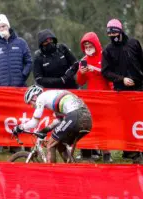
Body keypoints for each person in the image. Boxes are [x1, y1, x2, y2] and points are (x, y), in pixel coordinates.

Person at [12, 85, 92, 163]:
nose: (32, 106)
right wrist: (44, 130)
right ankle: (71, 168)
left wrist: (19, 128)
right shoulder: (53, 95)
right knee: (60, 144)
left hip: (75, 115)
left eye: (31, 103)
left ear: (35, 97)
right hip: (87, 119)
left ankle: (51, 173)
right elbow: (59, 121)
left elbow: (34, 122)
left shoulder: (41, 97)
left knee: (50, 144)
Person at [102, 19, 143, 163]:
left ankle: (139, 148)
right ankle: (130, 151)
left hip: (139, 88)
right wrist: (121, 79)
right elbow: (105, 72)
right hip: (122, 90)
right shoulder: (108, 50)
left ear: (120, 30)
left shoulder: (134, 43)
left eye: (114, 31)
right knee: (127, 121)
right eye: (109, 33)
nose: (112, 35)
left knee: (139, 120)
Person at [77, 32, 112, 162]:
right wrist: (81, 73)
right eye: (85, 45)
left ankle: (106, 153)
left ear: (96, 44)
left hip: (105, 96)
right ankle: (88, 151)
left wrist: (96, 70)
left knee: (104, 126)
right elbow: (80, 82)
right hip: (91, 98)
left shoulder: (105, 57)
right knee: (90, 125)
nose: (88, 46)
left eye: (90, 44)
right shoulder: (83, 60)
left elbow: (110, 76)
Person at [0, 14, 32, 87]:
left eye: (3, 26)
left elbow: (29, 62)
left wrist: (23, 75)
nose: (1, 29)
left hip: (20, 87)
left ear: (8, 26)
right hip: (3, 89)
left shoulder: (21, 42)